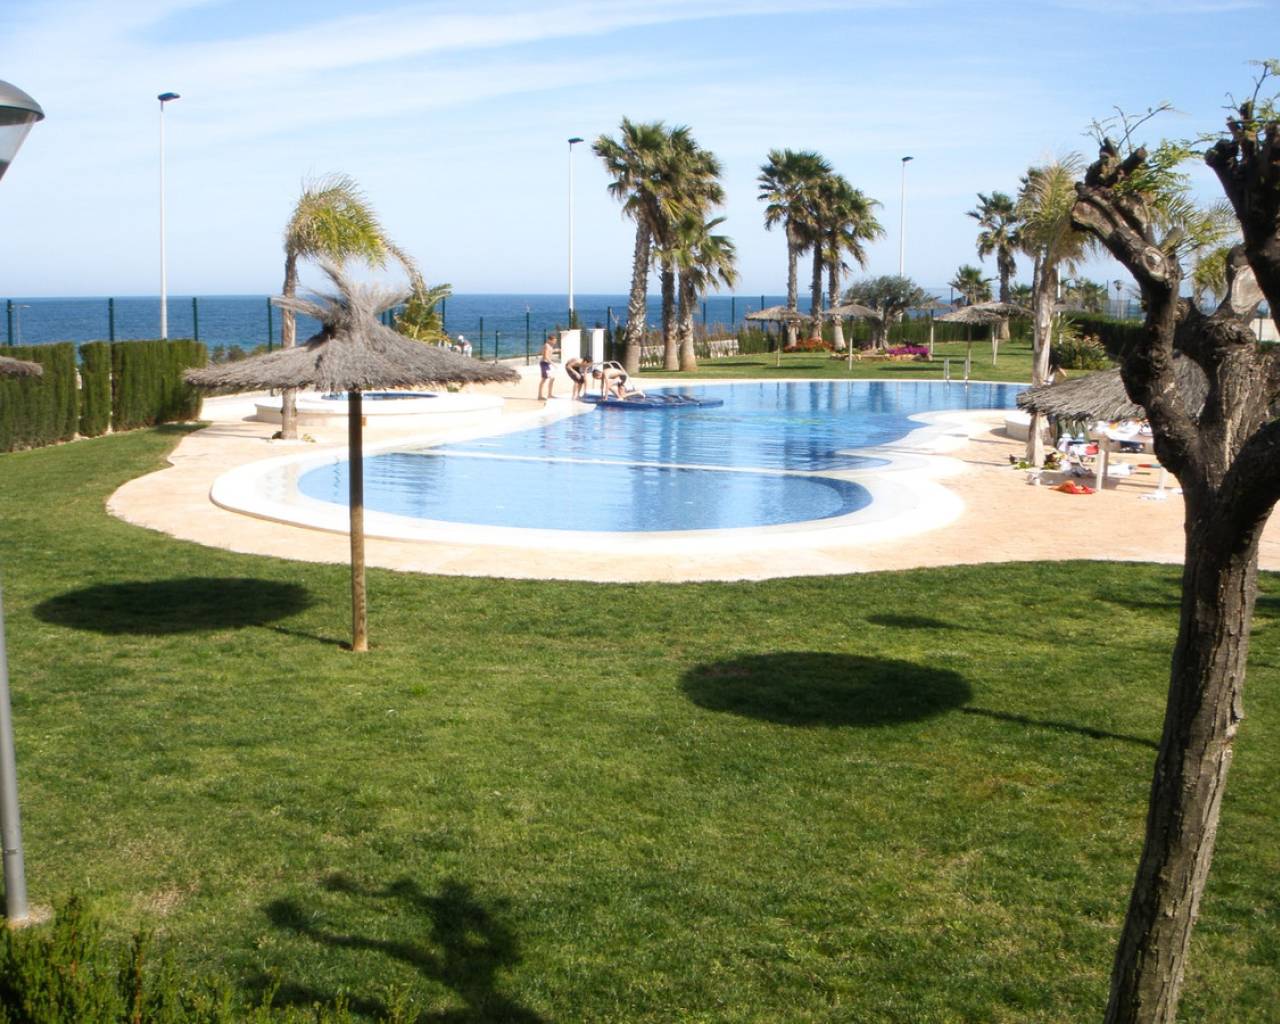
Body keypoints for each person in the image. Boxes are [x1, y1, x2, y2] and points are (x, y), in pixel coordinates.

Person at [538, 332, 557, 400]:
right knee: (544, 379)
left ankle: (549, 394)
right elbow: (545, 356)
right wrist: (553, 363)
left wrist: (557, 350)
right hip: (544, 363)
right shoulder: (546, 345)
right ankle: (540, 396)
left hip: (547, 364)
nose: (555, 342)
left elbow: (544, 352)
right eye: (554, 340)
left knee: (552, 378)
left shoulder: (549, 346)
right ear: (550, 340)